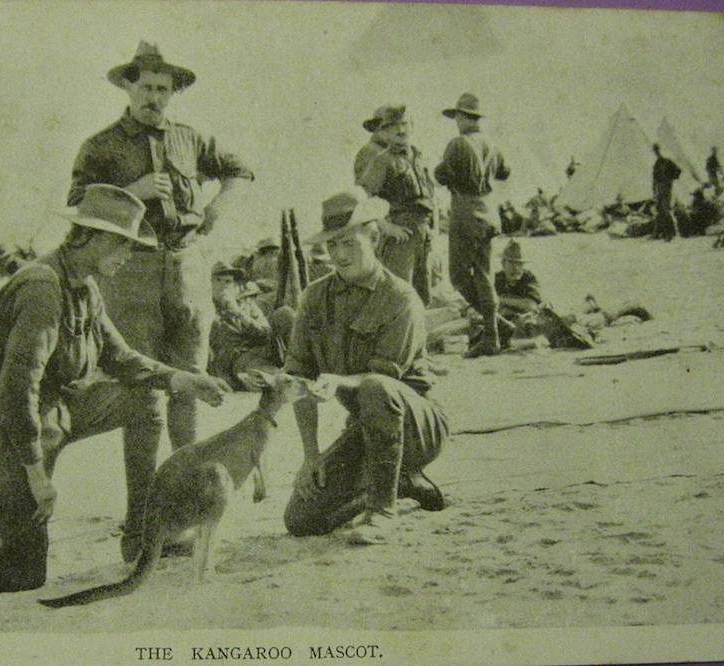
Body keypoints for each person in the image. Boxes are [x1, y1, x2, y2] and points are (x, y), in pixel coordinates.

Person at [0, 185, 231, 599]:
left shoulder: (85, 286)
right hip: (5, 428)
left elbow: (120, 358)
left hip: (55, 412)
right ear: (88, 237)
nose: (128, 256)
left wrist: (182, 379)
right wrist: (36, 475)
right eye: (121, 244)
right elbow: (19, 389)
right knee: (20, 572)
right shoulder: (42, 288)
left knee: (144, 397)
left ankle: (141, 530)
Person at [67, 41, 253, 452]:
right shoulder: (100, 146)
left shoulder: (190, 139)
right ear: (129, 88)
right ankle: (144, 509)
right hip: (133, 271)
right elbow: (77, 204)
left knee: (191, 382)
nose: (154, 98)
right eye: (146, 88)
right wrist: (133, 190)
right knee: (143, 390)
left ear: (172, 93)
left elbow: (240, 169)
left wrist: (219, 206)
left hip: (187, 268)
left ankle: (185, 491)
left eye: (162, 90)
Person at [282, 189, 449, 546]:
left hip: (416, 428)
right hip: (367, 431)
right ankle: (401, 484)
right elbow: (298, 377)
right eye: (332, 246)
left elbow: (384, 380)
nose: (339, 255)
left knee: (375, 387)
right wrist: (310, 457)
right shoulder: (314, 297)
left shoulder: (400, 297)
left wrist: (341, 380)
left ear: (373, 238)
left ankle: (382, 511)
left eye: (349, 244)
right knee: (301, 518)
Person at [434, 93, 511, 357]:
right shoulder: (491, 144)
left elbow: (441, 174)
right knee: (483, 273)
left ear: (463, 117)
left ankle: (495, 329)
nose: (456, 121)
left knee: (458, 276)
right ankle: (495, 331)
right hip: (489, 211)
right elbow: (505, 172)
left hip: (466, 212)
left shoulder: (458, 144)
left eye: (457, 116)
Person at [494, 239, 651, 349]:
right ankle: (589, 305)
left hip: (545, 319)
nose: (516, 268)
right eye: (512, 263)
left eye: (519, 264)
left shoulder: (528, 278)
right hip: (526, 324)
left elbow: (530, 304)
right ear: (503, 264)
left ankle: (629, 307)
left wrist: (499, 299)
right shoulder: (498, 279)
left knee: (590, 321)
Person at [354, 104, 435, 305]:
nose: (401, 130)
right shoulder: (382, 160)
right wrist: (385, 226)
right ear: (385, 131)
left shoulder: (418, 156)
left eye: (405, 124)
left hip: (422, 234)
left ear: (412, 126)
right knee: (397, 295)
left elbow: (429, 196)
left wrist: (432, 228)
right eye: (393, 126)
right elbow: (362, 196)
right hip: (400, 234)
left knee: (423, 296)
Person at [208, 261, 283, 389]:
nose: (223, 286)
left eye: (228, 281)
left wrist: (239, 314)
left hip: (263, 351)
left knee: (284, 313)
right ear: (210, 284)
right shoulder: (206, 308)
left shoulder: (246, 305)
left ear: (234, 285)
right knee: (260, 375)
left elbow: (266, 334)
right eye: (218, 280)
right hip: (237, 359)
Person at [651, 143, 681, 241]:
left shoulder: (667, 162)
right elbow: (654, 179)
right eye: (655, 151)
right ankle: (661, 233)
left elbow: (678, 171)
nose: (657, 152)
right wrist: (654, 190)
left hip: (666, 188)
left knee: (665, 209)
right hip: (659, 189)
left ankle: (671, 233)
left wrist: (670, 179)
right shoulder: (656, 164)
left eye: (657, 150)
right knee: (659, 210)